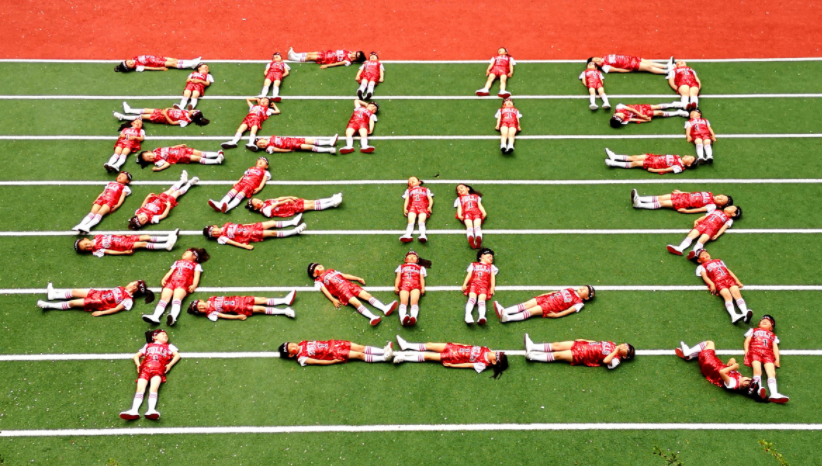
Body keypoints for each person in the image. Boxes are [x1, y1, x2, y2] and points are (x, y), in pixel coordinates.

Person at [308, 263, 397, 326]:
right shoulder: (318, 280)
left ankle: (385, 308)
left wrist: (357, 278)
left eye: (319, 264)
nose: (319, 266)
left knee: (367, 296)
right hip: (342, 292)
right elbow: (325, 290)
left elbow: (344, 275)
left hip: (350, 285)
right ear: (315, 274)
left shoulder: (331, 271)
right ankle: (372, 317)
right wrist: (333, 300)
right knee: (356, 303)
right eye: (316, 267)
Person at [119, 330, 181, 421]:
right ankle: (134, 410)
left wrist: (170, 365)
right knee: (140, 389)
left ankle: (151, 410)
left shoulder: (169, 346)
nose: (165, 336)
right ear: (155, 337)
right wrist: (138, 365)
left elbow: (177, 355)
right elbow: (136, 356)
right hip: (145, 369)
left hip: (158, 369)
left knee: (154, 388)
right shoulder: (148, 345)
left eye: (166, 335)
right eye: (163, 334)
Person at [142, 248, 209, 326]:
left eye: (187, 252)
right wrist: (164, 278)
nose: (184, 253)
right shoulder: (177, 262)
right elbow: (170, 271)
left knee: (176, 299)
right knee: (164, 299)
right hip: (171, 281)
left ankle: (173, 316)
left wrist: (194, 285)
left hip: (183, 283)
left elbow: (196, 276)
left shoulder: (196, 265)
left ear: (194, 256)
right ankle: (155, 316)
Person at [393, 335, 509, 378]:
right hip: (454, 348)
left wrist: (452, 365)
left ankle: (404, 357)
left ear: (494, 362)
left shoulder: (483, 364)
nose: (494, 352)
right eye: (497, 352)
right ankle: (406, 345)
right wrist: (458, 344)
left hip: (453, 358)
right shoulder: (487, 349)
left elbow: (468, 365)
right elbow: (470, 346)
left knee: (428, 356)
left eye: (496, 355)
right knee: (430, 345)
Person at [692, 250, 752, 324]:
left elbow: (728, 270)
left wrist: (737, 280)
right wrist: (712, 284)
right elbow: (705, 277)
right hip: (718, 282)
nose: (705, 254)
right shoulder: (702, 266)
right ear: (699, 260)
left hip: (729, 279)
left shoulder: (718, 261)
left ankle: (745, 313)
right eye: (702, 255)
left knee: (737, 294)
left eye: (706, 252)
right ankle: (734, 315)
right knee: (727, 296)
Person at [37, 280, 154, 316]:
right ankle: (54, 295)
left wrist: (100, 313)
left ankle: (48, 305)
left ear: (135, 290)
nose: (131, 284)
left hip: (98, 302)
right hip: (97, 293)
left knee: (72, 303)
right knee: (75, 291)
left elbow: (116, 309)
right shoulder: (122, 288)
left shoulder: (128, 299)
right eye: (133, 283)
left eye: (135, 286)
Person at [128, 171, 199, 230]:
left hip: (158, 199)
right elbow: (163, 215)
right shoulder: (152, 219)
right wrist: (168, 206)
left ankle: (182, 181)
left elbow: (142, 206)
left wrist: (147, 198)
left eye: (141, 219)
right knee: (177, 193)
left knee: (171, 190)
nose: (144, 219)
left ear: (137, 215)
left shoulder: (138, 212)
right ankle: (190, 184)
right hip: (165, 204)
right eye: (143, 222)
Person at [675, 340, 753, 392]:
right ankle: (690, 356)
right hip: (713, 365)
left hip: (711, 365)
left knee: (710, 343)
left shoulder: (733, 384)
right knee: (702, 351)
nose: (747, 377)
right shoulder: (739, 378)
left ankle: (689, 352)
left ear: (745, 383)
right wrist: (732, 361)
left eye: (749, 379)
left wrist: (732, 367)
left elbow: (722, 372)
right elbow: (727, 370)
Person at [666, 206, 742, 258]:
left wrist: (717, 235)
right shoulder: (716, 210)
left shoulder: (729, 220)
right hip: (703, 224)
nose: (729, 206)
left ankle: (695, 252)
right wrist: (697, 220)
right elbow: (705, 216)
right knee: (691, 235)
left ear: (733, 214)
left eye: (732, 207)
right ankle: (680, 248)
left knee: (702, 240)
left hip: (712, 229)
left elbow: (724, 227)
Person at [743, 315, 789, 403]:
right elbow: (747, 341)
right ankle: (759, 389)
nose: (764, 321)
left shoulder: (772, 335)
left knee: (771, 372)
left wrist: (777, 359)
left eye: (767, 321)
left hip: (768, 353)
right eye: (762, 320)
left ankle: (774, 393)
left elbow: (775, 347)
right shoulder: (753, 330)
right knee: (757, 371)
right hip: (755, 351)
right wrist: (746, 351)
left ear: (771, 327)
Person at [524, 333, 635, 369]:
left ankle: (532, 356)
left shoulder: (616, 360)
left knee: (558, 355)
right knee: (556, 345)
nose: (624, 346)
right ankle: (533, 346)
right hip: (582, 345)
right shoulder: (612, 344)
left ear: (625, 356)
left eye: (626, 349)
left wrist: (616, 351)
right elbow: (598, 343)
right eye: (625, 345)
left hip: (583, 355)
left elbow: (606, 361)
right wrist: (585, 340)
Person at [494, 286, 594, 323]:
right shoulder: (571, 289)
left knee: (531, 311)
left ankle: (507, 318)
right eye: (584, 286)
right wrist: (543, 295)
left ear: (586, 297)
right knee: (526, 304)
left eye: (585, 290)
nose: (582, 288)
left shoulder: (579, 303)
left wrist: (556, 315)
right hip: (546, 298)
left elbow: (569, 311)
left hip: (551, 307)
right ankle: (504, 311)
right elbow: (555, 292)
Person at [187, 292, 296, 321]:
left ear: (200, 300)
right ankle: (284, 311)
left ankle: (285, 300)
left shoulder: (211, 298)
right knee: (260, 309)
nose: (201, 307)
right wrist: (238, 317)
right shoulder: (210, 313)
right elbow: (224, 316)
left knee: (262, 299)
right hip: (238, 308)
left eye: (199, 305)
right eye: (199, 309)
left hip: (238, 299)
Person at [203, 219, 306, 250]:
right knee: (272, 233)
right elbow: (232, 242)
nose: (215, 232)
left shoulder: (226, 224)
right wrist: (245, 246)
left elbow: (241, 224)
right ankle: (294, 231)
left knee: (272, 223)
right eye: (212, 234)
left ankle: (292, 222)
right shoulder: (221, 238)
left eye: (213, 230)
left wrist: (252, 224)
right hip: (250, 235)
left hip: (249, 227)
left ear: (215, 226)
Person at [278, 339, 393, 366]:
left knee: (360, 348)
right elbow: (317, 361)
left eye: (291, 343)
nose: (293, 345)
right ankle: (384, 358)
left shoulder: (302, 343)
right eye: (291, 348)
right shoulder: (301, 358)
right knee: (359, 355)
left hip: (335, 344)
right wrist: (333, 361)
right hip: (334, 353)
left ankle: (384, 351)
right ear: (291, 355)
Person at [74, 230, 179, 257]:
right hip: (122, 245)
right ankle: (166, 246)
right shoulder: (96, 250)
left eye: (85, 244)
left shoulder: (97, 237)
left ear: (86, 238)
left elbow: (112, 235)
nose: (88, 246)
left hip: (124, 238)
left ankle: (168, 237)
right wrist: (123, 252)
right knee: (142, 244)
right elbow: (109, 251)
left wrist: (124, 235)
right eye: (85, 249)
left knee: (146, 237)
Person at [462, 248, 498, 325]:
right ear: (482, 256)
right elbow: (469, 274)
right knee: (472, 298)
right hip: (473, 284)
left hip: (484, 285)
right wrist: (465, 284)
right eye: (489, 256)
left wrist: (492, 288)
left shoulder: (491, 267)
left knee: (482, 300)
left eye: (492, 257)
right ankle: (468, 315)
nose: (491, 258)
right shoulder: (474, 265)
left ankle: (482, 316)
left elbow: (492, 277)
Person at [394, 251, 430, 326]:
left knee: (414, 301)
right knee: (403, 301)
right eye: (409, 256)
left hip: (416, 285)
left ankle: (413, 317)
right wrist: (396, 286)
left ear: (417, 260)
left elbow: (422, 278)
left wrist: (423, 288)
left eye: (414, 256)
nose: (411, 257)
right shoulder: (401, 266)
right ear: (405, 259)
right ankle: (402, 318)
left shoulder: (420, 268)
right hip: (404, 284)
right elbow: (398, 277)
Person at [631, 189, 732, 213]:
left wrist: (686, 211)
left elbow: (700, 209)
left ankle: (639, 205)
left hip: (683, 203)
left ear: (720, 206)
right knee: (661, 197)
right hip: (682, 196)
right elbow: (693, 193)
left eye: (722, 201)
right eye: (722, 197)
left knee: (662, 203)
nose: (720, 198)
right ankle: (639, 198)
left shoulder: (712, 206)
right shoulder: (709, 193)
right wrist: (681, 192)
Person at [246, 193, 343, 218]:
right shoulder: (264, 211)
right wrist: (286, 201)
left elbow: (278, 199)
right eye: (257, 203)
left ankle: (332, 199)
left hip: (289, 203)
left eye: (257, 199)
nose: (259, 201)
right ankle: (332, 204)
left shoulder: (266, 201)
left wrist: (289, 197)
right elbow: (275, 205)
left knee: (311, 202)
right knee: (311, 206)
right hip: (289, 209)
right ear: (255, 208)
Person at [114, 102, 209, 127]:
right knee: (146, 109)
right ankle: (129, 110)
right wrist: (169, 109)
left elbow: (172, 122)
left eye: (193, 111)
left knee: (143, 117)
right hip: (163, 112)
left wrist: (165, 114)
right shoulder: (187, 112)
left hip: (162, 117)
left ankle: (123, 117)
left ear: (193, 115)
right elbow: (178, 110)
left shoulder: (186, 121)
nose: (192, 110)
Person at [136, 145, 224, 171]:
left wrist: (179, 145)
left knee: (199, 152)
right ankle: (216, 161)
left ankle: (217, 154)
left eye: (148, 155)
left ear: (148, 151)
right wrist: (159, 169)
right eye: (148, 159)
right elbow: (167, 164)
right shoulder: (157, 162)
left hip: (181, 150)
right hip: (180, 157)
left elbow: (170, 148)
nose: (150, 157)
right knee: (197, 158)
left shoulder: (157, 149)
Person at [604, 150, 696, 175]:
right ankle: (615, 156)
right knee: (634, 157)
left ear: (688, 164)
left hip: (654, 164)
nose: (687, 156)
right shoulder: (678, 157)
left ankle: (614, 163)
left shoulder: (679, 167)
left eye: (690, 158)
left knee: (635, 163)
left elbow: (667, 169)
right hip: (654, 158)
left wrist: (654, 170)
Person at [400, 176, 434, 243]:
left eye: (413, 179)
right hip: (412, 206)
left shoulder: (425, 189)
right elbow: (406, 200)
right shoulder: (408, 190)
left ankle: (423, 235)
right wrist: (405, 209)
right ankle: (408, 235)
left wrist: (429, 206)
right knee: (410, 221)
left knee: (421, 221)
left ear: (419, 182)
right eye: (409, 180)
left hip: (423, 206)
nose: (411, 180)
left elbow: (430, 199)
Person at [454, 183, 487, 248]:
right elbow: (459, 207)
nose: (460, 190)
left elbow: (479, 205)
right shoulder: (459, 199)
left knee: (474, 227)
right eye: (458, 190)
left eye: (461, 187)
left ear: (467, 188)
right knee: (472, 227)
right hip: (468, 213)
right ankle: (473, 239)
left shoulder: (476, 196)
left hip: (474, 212)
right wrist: (460, 214)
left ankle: (476, 239)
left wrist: (484, 212)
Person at [609, 102, 688, 127]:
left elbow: (632, 109)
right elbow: (633, 119)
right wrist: (644, 120)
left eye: (621, 116)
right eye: (622, 118)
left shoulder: (619, 107)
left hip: (638, 109)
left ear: (616, 115)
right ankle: (678, 112)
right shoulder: (623, 121)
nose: (623, 117)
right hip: (640, 114)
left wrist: (642, 115)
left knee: (656, 107)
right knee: (659, 113)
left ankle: (673, 105)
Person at [287, 47, 366, 69]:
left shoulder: (348, 61)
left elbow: (337, 63)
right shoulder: (349, 52)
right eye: (356, 52)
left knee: (309, 57)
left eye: (356, 55)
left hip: (326, 59)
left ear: (356, 58)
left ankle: (293, 58)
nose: (354, 53)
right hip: (327, 54)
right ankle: (296, 54)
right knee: (310, 53)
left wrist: (327, 66)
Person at [587, 55, 671, 74]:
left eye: (596, 58)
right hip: (630, 65)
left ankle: (667, 66)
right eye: (596, 61)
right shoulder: (605, 67)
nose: (598, 59)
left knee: (648, 62)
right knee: (648, 67)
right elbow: (617, 70)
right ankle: (667, 72)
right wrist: (629, 70)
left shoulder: (605, 56)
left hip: (631, 59)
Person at [255, 134, 337, 154]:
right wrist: (288, 150)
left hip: (293, 139)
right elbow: (278, 149)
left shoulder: (270, 137)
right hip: (291, 145)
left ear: (262, 139)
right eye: (260, 146)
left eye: (260, 143)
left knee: (311, 140)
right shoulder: (269, 148)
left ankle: (329, 142)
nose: (262, 145)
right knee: (309, 147)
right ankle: (328, 150)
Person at [114, 55, 201, 73]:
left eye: (128, 62)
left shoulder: (134, 58)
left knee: (175, 60)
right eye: (129, 66)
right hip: (157, 63)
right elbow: (148, 68)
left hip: (157, 58)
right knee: (173, 64)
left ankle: (192, 63)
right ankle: (192, 63)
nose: (130, 63)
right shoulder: (137, 67)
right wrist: (160, 68)